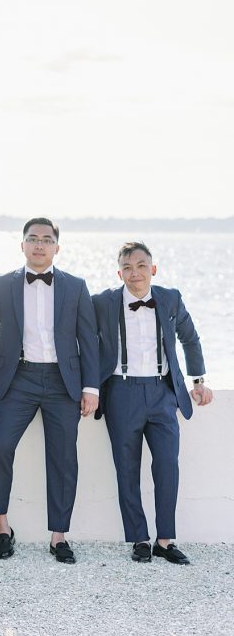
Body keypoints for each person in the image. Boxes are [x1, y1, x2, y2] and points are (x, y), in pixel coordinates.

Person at [0, 217, 99, 564]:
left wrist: (91, 387)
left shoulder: (76, 286)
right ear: (23, 245)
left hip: (64, 384)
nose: (39, 245)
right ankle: (2, 527)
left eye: (46, 239)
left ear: (56, 247)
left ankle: (58, 535)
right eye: (33, 239)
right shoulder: (2, 284)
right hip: (19, 379)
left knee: (63, 459)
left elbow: (88, 339)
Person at [92, 241, 213, 564]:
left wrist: (198, 380)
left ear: (153, 268)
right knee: (127, 469)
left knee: (167, 466)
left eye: (141, 266)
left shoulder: (170, 298)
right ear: (119, 273)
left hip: (163, 393)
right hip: (121, 392)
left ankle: (165, 540)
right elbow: (83, 340)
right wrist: (87, 387)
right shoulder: (103, 302)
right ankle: (139, 539)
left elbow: (190, 337)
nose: (135, 274)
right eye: (128, 268)